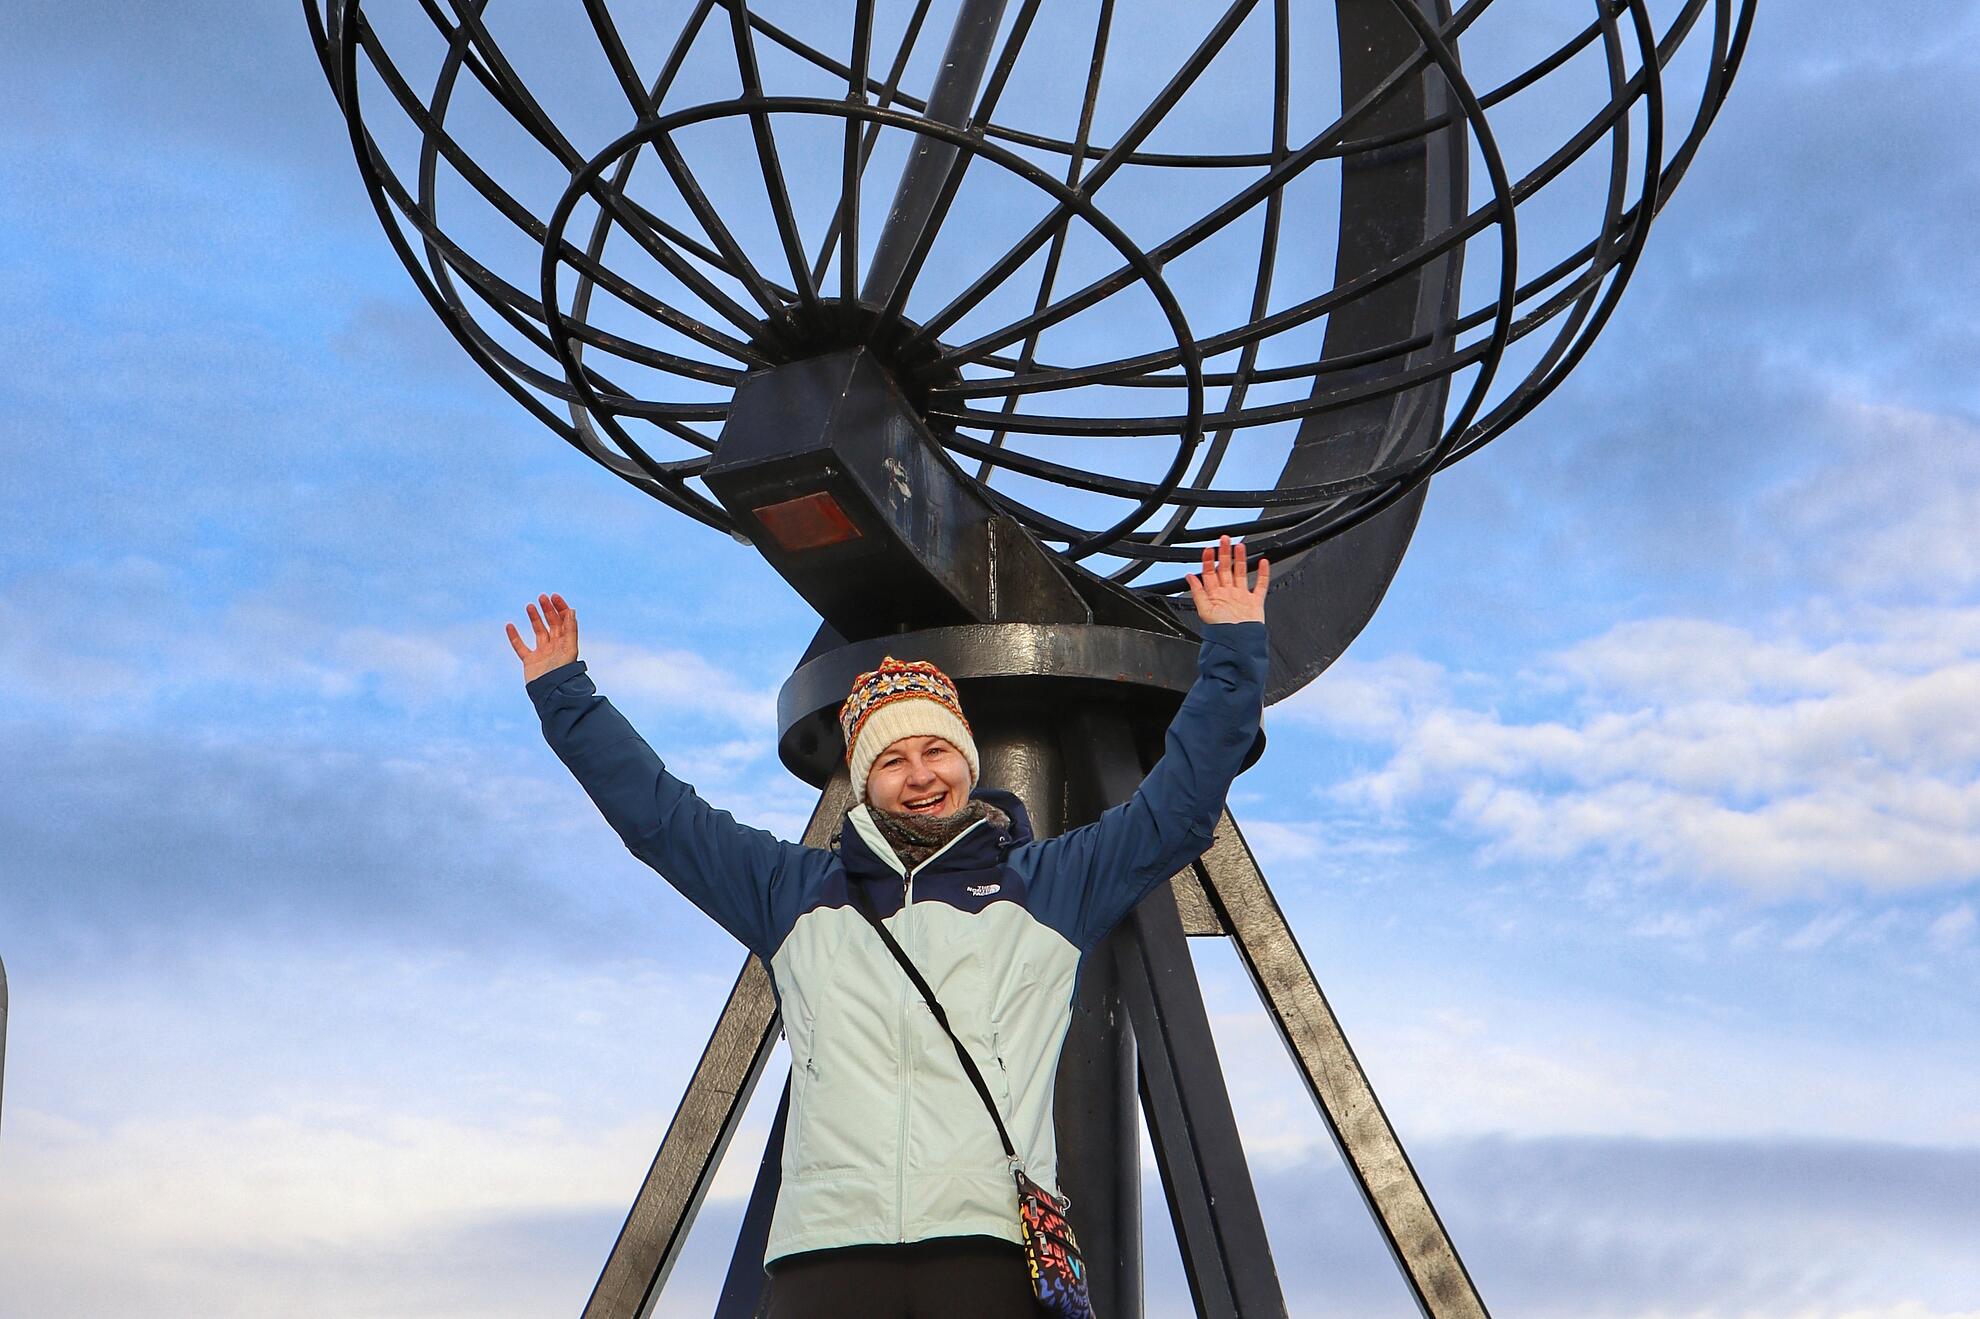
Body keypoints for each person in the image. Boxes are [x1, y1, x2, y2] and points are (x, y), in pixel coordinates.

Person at [508, 537, 1270, 1319]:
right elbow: (663, 820)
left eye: (936, 749)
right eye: (892, 758)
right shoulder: (794, 893)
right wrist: (566, 695)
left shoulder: (1046, 888)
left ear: (968, 762)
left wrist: (1234, 648)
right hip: (824, 1258)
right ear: (864, 781)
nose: (919, 775)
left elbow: (1175, 811)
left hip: (989, 1253)